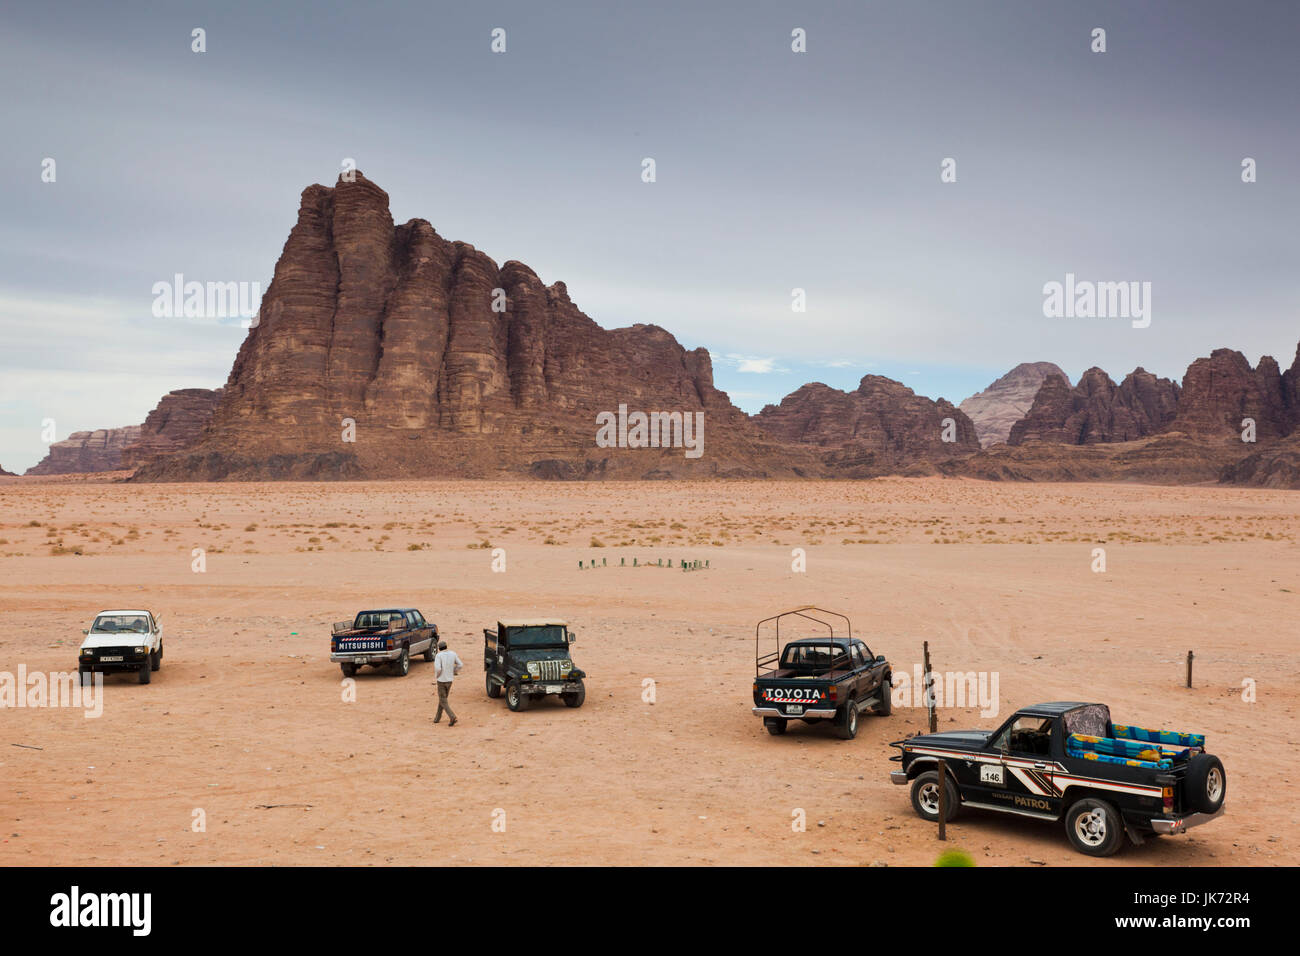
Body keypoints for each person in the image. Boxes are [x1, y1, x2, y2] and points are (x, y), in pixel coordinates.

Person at [433, 640, 464, 726]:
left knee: (443, 700)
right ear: (446, 646)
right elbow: (460, 664)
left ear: (439, 648)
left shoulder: (438, 656)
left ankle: (452, 716)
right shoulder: (453, 653)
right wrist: (454, 671)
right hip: (450, 680)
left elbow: (438, 669)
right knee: (443, 699)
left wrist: (437, 676)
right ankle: (437, 718)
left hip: (441, 680)